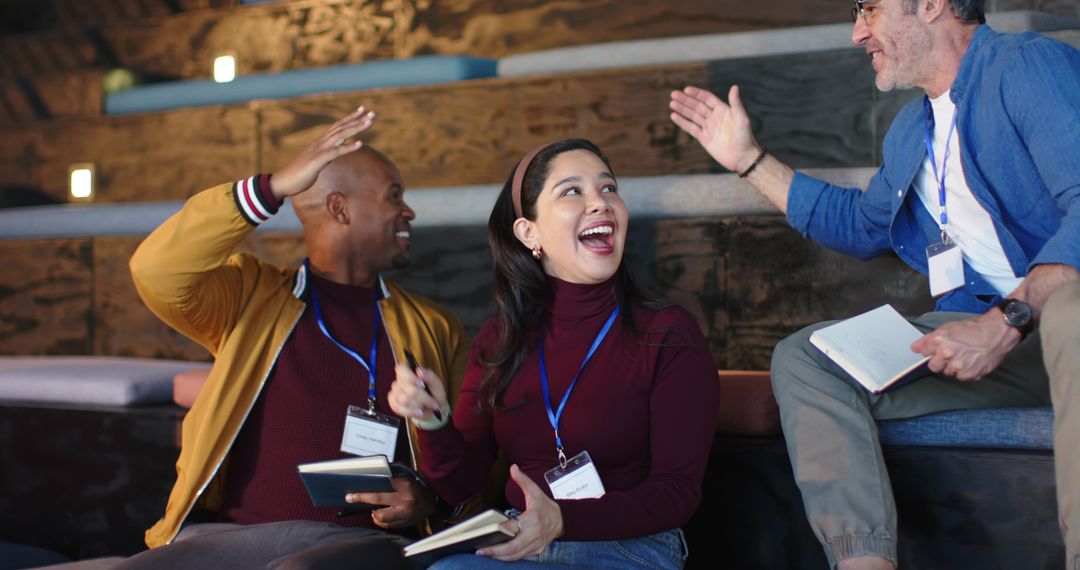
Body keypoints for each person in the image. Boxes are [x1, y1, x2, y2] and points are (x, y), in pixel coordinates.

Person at [669, 0, 1080, 568]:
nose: (858, 31)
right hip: (997, 343)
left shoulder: (1027, 67)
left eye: (869, 8)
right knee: (806, 358)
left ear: (931, 5)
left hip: (1061, 321)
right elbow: (862, 225)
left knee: (1071, 312)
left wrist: (1006, 320)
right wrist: (749, 161)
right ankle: (864, 562)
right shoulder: (913, 129)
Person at [116, 107, 471, 568]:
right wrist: (272, 188)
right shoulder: (249, 295)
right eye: (393, 196)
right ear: (338, 207)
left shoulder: (433, 327)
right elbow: (157, 270)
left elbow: (471, 455)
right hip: (233, 537)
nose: (409, 212)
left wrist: (429, 500)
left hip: (359, 546)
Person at [386, 139, 719, 568]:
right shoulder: (499, 339)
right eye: (573, 191)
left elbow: (677, 493)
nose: (600, 203)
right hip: (520, 539)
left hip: (631, 548)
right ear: (529, 232)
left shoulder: (668, 333)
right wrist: (431, 418)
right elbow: (458, 484)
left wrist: (561, 519)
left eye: (609, 188)